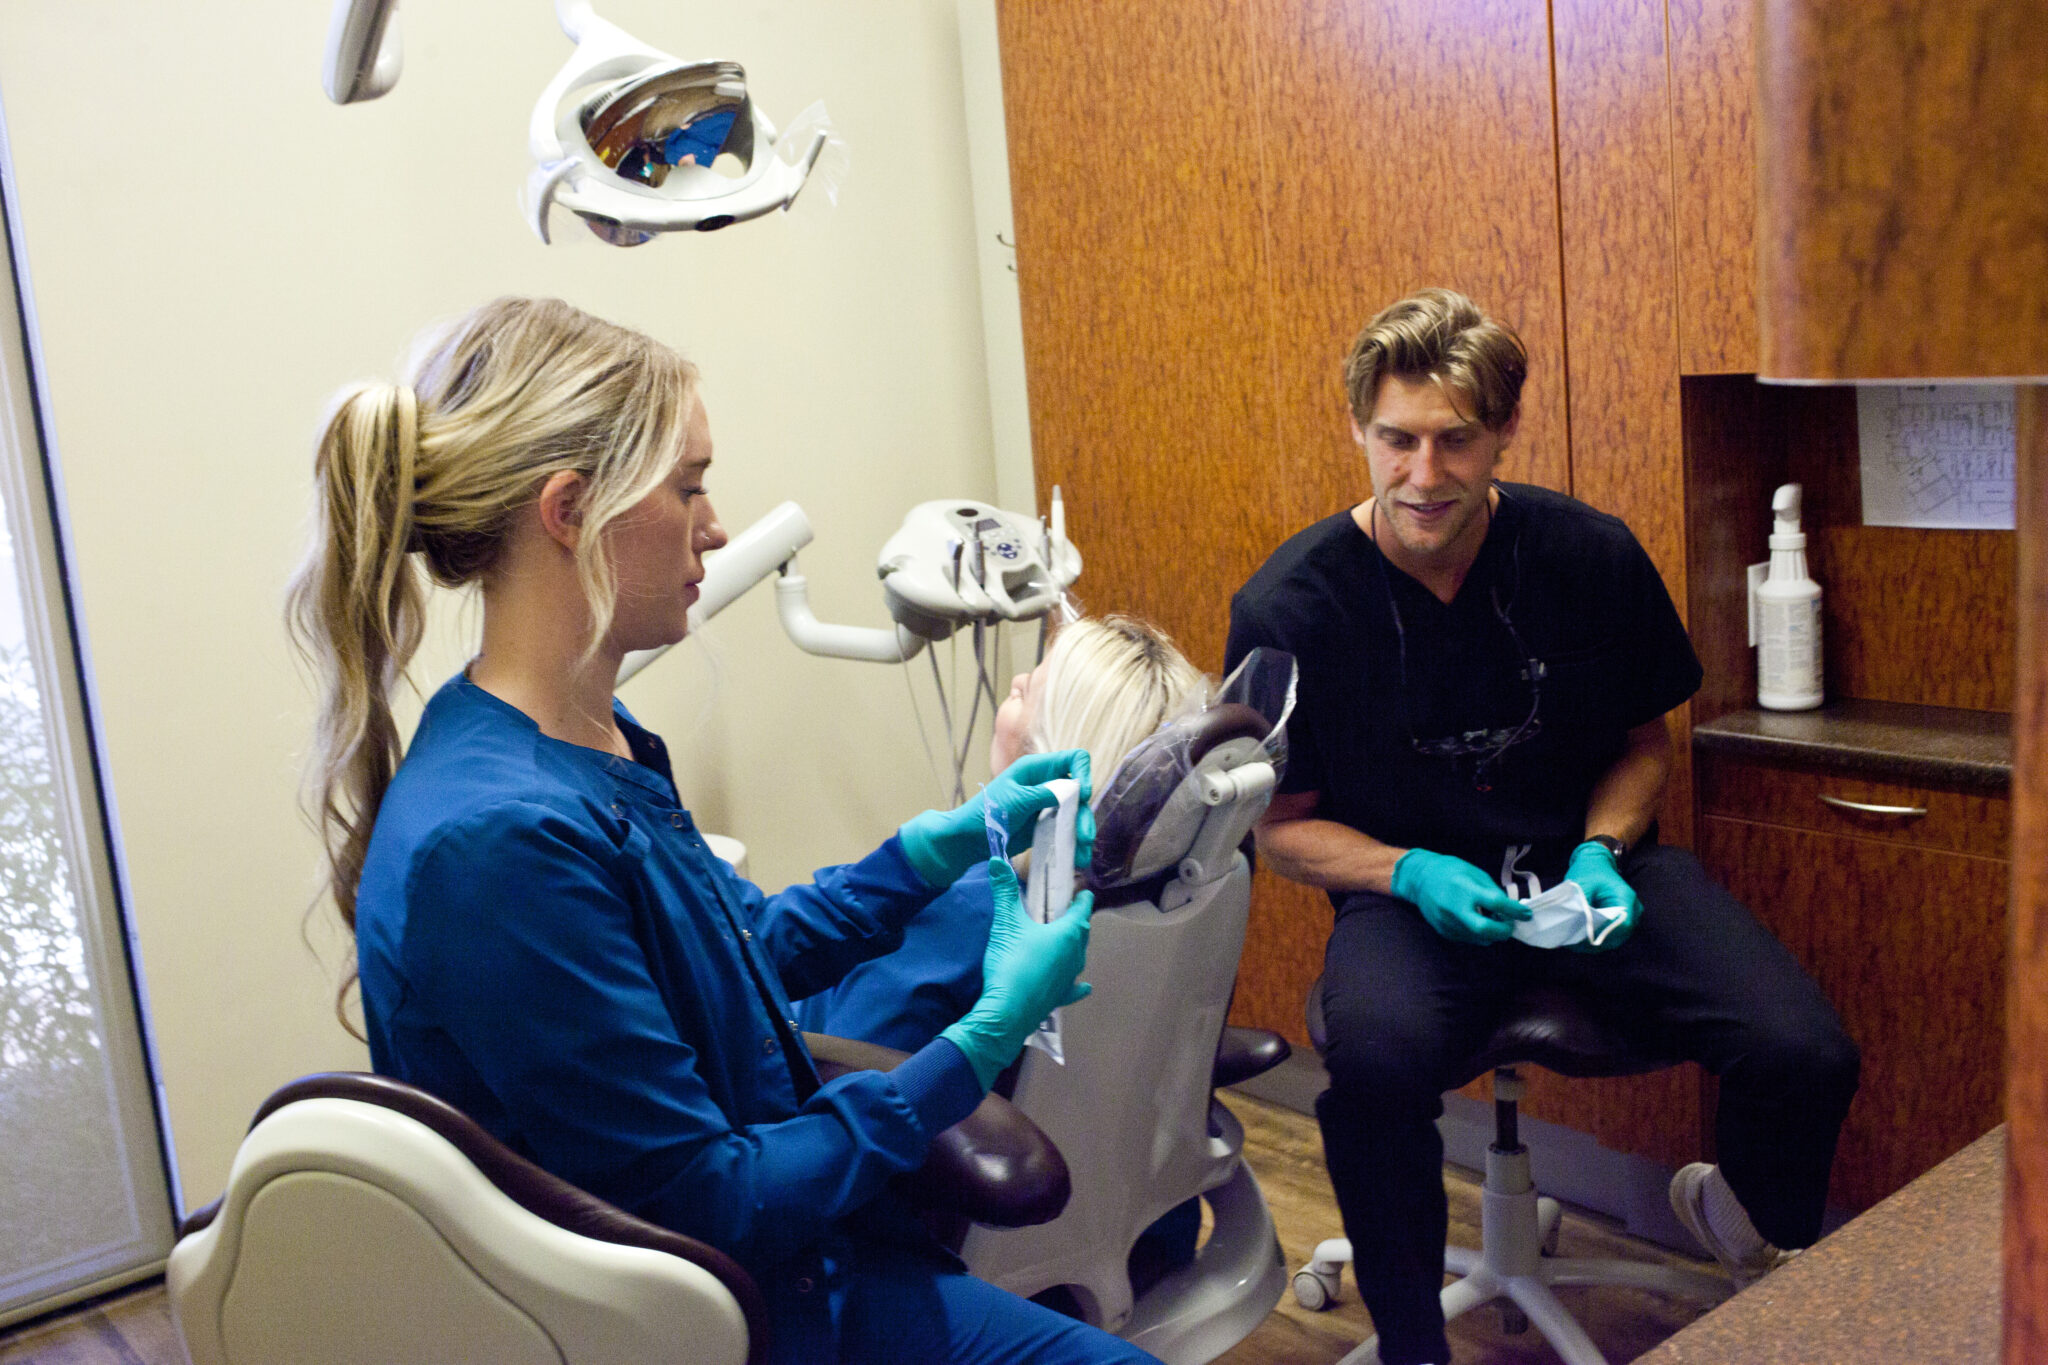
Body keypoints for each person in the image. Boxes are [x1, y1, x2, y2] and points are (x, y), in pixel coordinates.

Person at [286, 295, 1161, 1365]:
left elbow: (737, 953)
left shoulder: (590, 737)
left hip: (793, 1263)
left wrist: (932, 846)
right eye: (689, 487)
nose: (715, 525)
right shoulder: (499, 843)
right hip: (704, 1318)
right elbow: (709, 1203)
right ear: (569, 510)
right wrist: (980, 1037)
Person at [1224, 288, 1859, 1365]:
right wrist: (1403, 869)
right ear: (1357, 432)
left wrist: (1599, 853)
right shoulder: (1291, 605)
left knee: (1804, 1051)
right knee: (1372, 1073)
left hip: (1590, 874)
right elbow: (1283, 827)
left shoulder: (1587, 557)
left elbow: (1641, 741)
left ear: (1502, 432)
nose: (1423, 476)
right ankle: (1414, 1345)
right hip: (1409, 900)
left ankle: (1751, 1234)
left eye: (1453, 441)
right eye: (1395, 440)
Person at [796, 613, 1210, 1050]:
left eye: (1027, 691)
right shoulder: (1163, 888)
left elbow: (846, 1077)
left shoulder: (956, 914)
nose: (1014, 680)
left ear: (1050, 752)